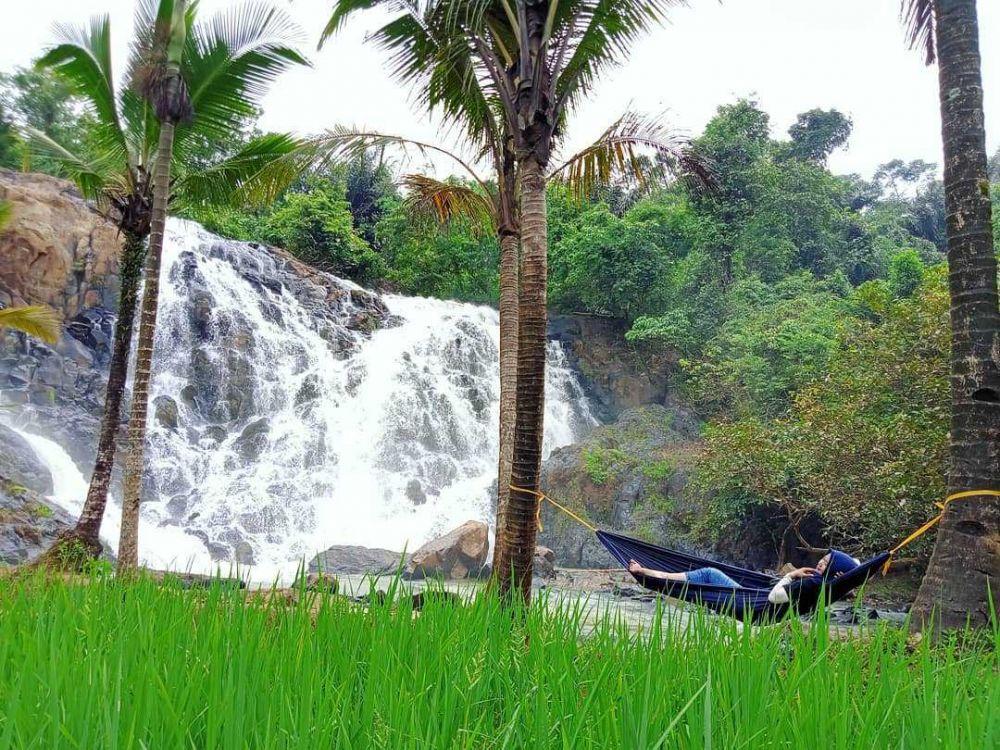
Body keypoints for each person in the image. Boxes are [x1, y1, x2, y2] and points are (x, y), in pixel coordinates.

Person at [627, 549, 861, 604]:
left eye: (826, 562)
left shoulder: (813, 583)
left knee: (709, 573)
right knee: (710, 574)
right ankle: (651, 573)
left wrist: (790, 575)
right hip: (754, 599)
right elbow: (853, 577)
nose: (820, 562)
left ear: (834, 569)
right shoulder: (828, 585)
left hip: (751, 605)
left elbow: (774, 597)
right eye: (823, 558)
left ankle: (647, 572)